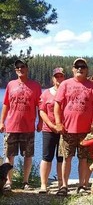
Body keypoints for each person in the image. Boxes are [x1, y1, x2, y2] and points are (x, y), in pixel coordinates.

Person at [54, 58, 93, 196]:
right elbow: (57, 104)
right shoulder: (65, 84)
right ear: (73, 69)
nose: (80, 69)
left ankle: (82, 185)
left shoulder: (92, 86)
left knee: (83, 159)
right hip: (67, 129)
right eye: (77, 66)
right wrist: (58, 122)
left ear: (87, 70)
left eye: (83, 66)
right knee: (67, 158)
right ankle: (64, 186)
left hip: (86, 131)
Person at [0, 59, 42, 191]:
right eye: (17, 67)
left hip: (28, 126)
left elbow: (39, 106)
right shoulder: (11, 85)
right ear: (15, 70)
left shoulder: (35, 86)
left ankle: (25, 181)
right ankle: (8, 182)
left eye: (22, 67)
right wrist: (2, 121)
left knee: (28, 155)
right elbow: (6, 104)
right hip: (11, 126)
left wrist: (40, 122)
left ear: (27, 68)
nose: (20, 69)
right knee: (9, 155)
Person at [38, 67, 65, 193]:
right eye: (56, 76)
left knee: (61, 158)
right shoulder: (46, 93)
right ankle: (43, 184)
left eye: (61, 76)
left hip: (63, 130)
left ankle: (61, 183)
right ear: (53, 78)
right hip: (48, 129)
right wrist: (51, 125)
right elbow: (42, 111)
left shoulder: (67, 92)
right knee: (46, 157)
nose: (59, 79)